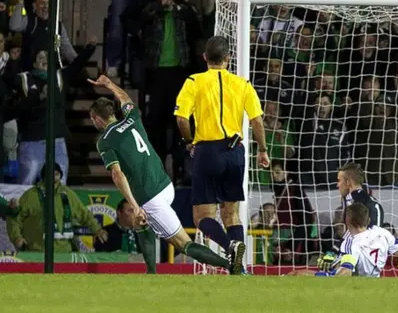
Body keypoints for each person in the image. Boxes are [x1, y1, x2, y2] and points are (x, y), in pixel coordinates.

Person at [88, 74, 241, 275]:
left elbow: (117, 175)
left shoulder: (105, 140)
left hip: (150, 195)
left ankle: (232, 266)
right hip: (165, 185)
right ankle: (151, 273)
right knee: (139, 222)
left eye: (93, 119)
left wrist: (134, 205)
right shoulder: (132, 118)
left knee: (182, 243)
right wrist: (109, 84)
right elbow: (126, 99)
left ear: (98, 119)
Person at [174, 36, 270, 273]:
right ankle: (238, 265)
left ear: (205, 57)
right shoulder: (243, 84)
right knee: (231, 212)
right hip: (234, 151)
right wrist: (263, 150)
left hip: (207, 150)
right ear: (228, 59)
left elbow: (181, 119)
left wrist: (189, 142)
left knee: (202, 216)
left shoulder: (194, 81)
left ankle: (230, 247)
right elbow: (257, 121)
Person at [290, 203, 398, 277]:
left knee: (297, 274)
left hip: (357, 286)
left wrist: (328, 273)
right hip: (375, 282)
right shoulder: (383, 233)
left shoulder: (352, 244)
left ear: (347, 222)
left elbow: (345, 273)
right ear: (368, 220)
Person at [337, 162, 384, 228]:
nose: (337, 185)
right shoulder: (347, 200)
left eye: (339, 180)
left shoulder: (371, 204)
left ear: (348, 182)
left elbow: (375, 236)